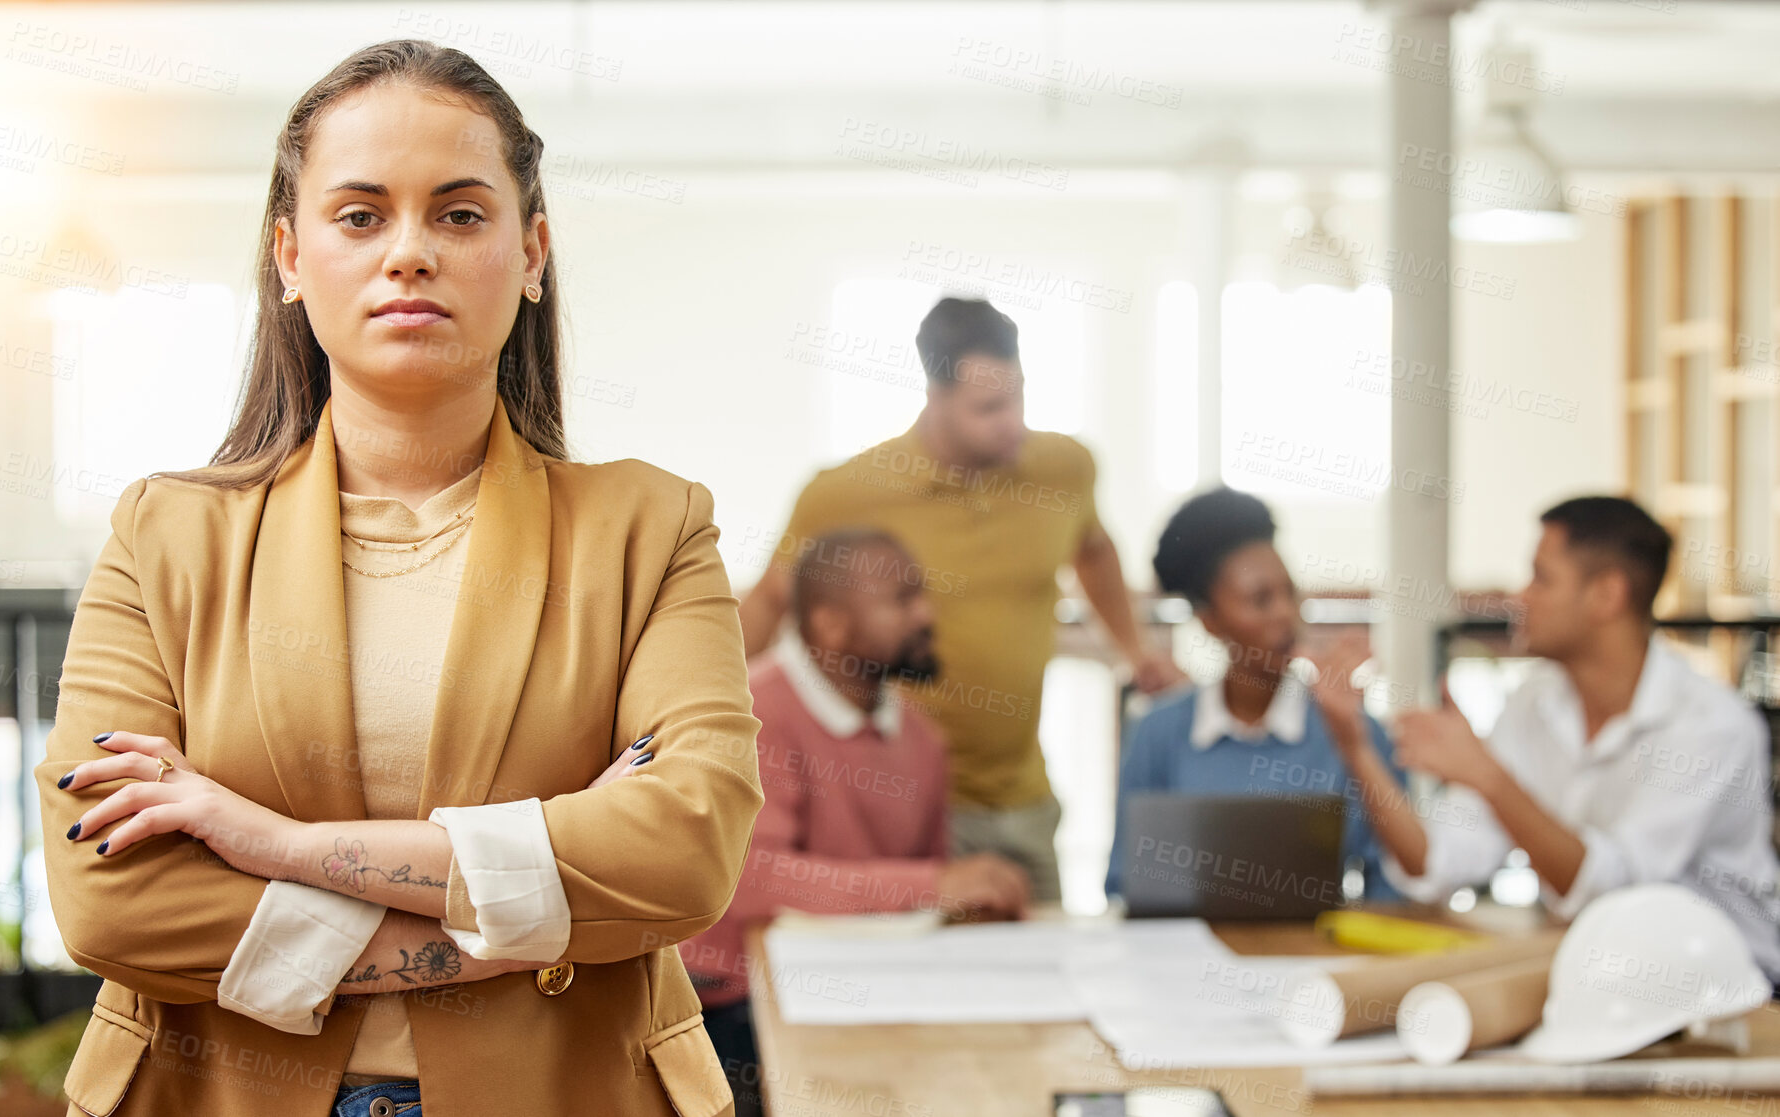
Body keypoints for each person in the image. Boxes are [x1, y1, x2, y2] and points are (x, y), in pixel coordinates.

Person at [33, 39, 762, 1117]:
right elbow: (113, 904)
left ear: (531, 252)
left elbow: (684, 852)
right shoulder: (163, 535)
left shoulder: (650, 529)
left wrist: (278, 846)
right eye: (360, 215)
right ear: (288, 255)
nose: (409, 252)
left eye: (460, 214)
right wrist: (513, 924)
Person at [738, 296, 1184, 904]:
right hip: (918, 804)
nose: (1013, 424)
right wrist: (707, 723)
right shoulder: (846, 491)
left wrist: (1134, 650)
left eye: (1019, 397)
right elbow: (772, 600)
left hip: (1027, 794)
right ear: (934, 395)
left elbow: (1096, 551)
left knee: (1047, 976)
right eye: (989, 408)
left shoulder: (1064, 469)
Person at [1332, 495, 1780, 979]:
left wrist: (1489, 776)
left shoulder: (1712, 727)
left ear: (1607, 594)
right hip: (1602, 980)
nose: (1519, 597)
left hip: (1733, 993)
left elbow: (1616, 889)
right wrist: (1356, 746)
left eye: (1541, 578)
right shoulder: (1535, 701)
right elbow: (1437, 865)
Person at [686, 529, 1029, 1115]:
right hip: (734, 1000)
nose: (926, 613)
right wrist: (936, 887)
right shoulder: (752, 712)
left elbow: (925, 886)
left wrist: (965, 897)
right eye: (902, 599)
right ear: (830, 625)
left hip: (871, 982)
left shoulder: (921, 737)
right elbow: (753, 883)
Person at [1105, 487, 1406, 902]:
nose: (1284, 613)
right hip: (1185, 960)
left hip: (1317, 958)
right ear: (1210, 622)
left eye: (1289, 593)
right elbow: (1125, 881)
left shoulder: (1354, 733)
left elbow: (1392, 887)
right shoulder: (1158, 732)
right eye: (1260, 600)